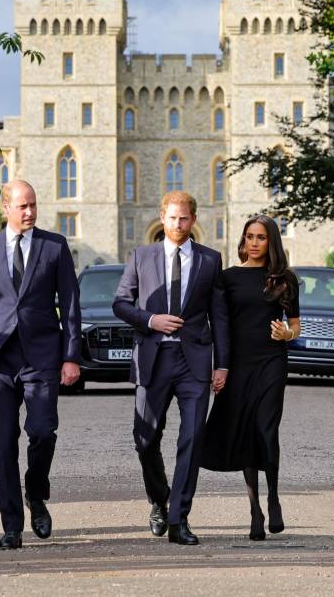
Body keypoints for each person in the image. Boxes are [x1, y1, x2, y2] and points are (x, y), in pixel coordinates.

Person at [0, 179, 81, 550]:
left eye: (33, 205)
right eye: (23, 206)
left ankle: (36, 492)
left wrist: (71, 356)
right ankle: (11, 525)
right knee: (3, 443)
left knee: (43, 431)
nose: (30, 212)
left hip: (42, 355)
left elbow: (71, 304)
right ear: (6, 208)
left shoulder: (54, 246)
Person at [113, 191, 229, 546]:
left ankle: (179, 519)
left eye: (184, 219)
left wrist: (222, 364)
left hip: (194, 361)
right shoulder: (141, 256)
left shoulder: (210, 260)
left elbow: (219, 316)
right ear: (162, 217)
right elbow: (120, 303)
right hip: (154, 358)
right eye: (172, 218)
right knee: (145, 439)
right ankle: (159, 499)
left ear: (193, 220)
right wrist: (150, 319)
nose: (178, 225)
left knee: (193, 439)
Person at [201, 215, 300, 541]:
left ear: (271, 241)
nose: (254, 243)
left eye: (260, 237)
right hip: (239, 365)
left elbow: (296, 325)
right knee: (244, 432)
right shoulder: (227, 278)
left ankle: (272, 496)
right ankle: (255, 509)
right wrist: (221, 366)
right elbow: (220, 325)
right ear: (243, 241)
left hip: (272, 362)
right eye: (249, 236)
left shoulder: (284, 278)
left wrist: (287, 333)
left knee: (265, 429)